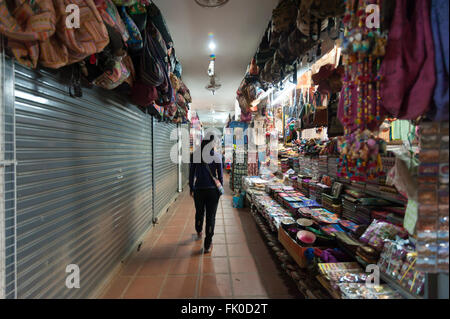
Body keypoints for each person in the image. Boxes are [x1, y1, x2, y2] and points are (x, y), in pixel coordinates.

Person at [189, 136, 223, 253]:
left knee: (199, 212)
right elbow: (221, 177)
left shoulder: (195, 156)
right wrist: (220, 190)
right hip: (213, 191)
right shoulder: (217, 156)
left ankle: (198, 229)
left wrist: (191, 188)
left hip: (199, 190)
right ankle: (207, 244)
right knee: (211, 217)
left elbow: (191, 174)